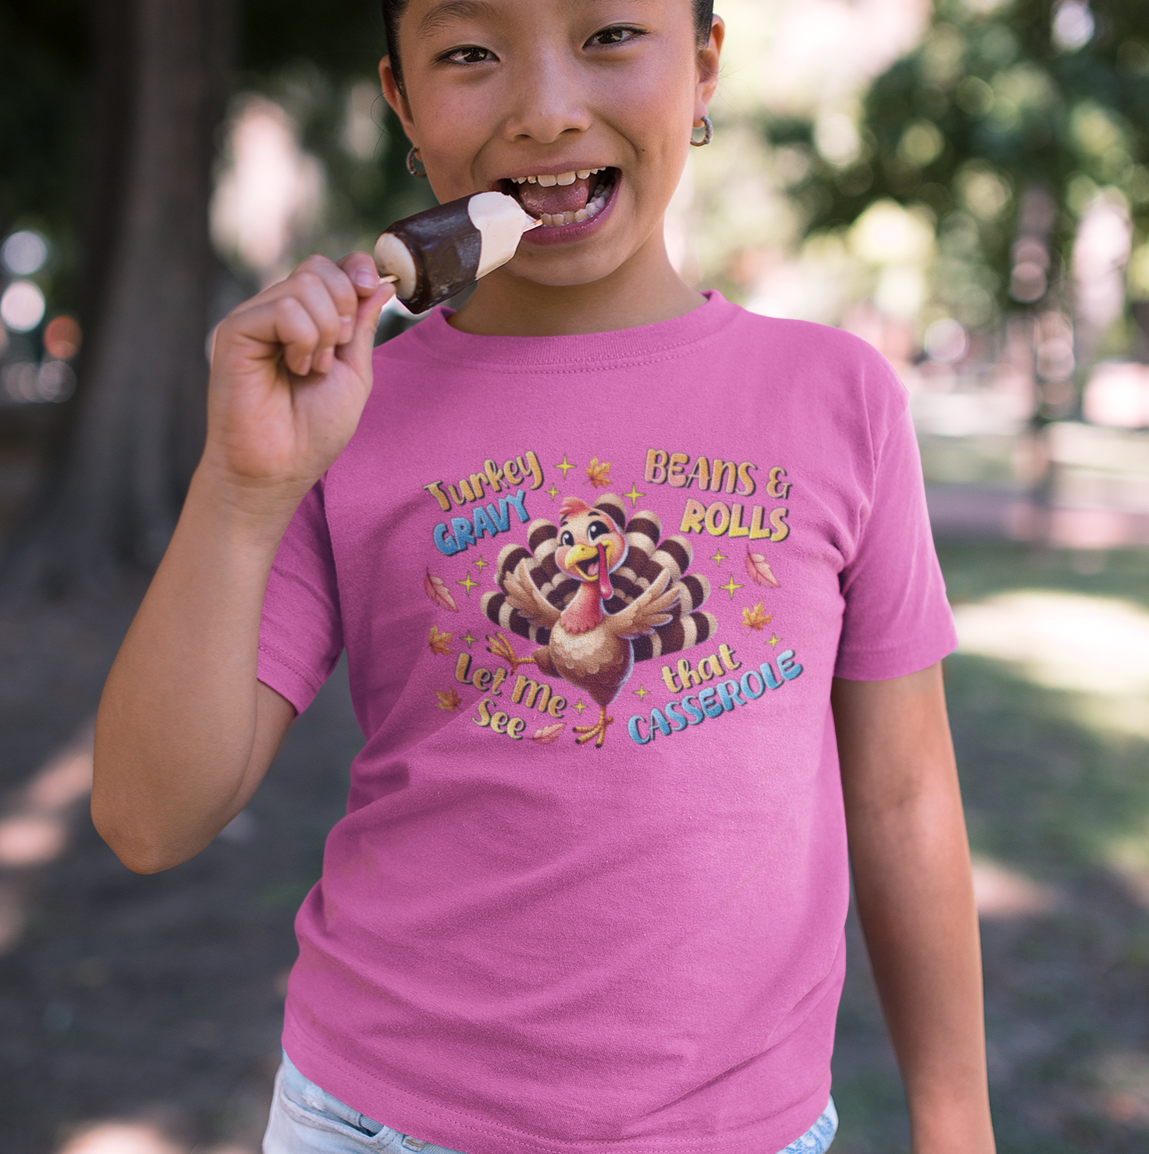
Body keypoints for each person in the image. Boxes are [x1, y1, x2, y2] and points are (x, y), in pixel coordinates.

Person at [92, 1, 997, 1152]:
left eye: (610, 34)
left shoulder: (839, 399)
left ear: (704, 67)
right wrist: (240, 485)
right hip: (378, 1118)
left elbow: (906, 799)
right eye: (471, 53)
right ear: (404, 106)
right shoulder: (346, 415)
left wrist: (957, 1121)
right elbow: (146, 816)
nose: (546, 109)